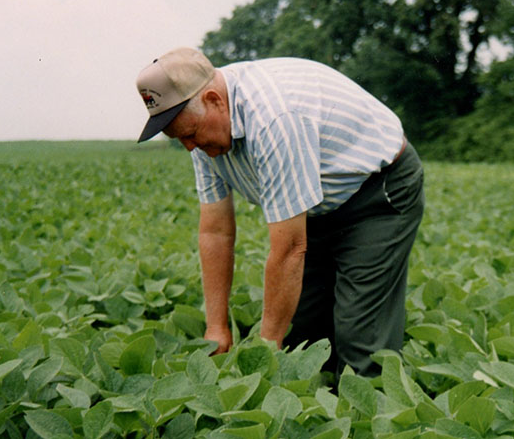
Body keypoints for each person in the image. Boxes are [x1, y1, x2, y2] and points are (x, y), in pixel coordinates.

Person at [136, 47, 425, 376]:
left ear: (214, 100)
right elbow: (215, 231)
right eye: (179, 139)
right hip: (315, 207)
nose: (189, 147)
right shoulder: (202, 131)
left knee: (360, 341)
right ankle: (324, 418)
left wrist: (265, 352)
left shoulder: (274, 118)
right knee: (302, 339)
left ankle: (374, 416)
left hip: (376, 195)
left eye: (189, 135)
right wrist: (216, 326)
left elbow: (289, 249)